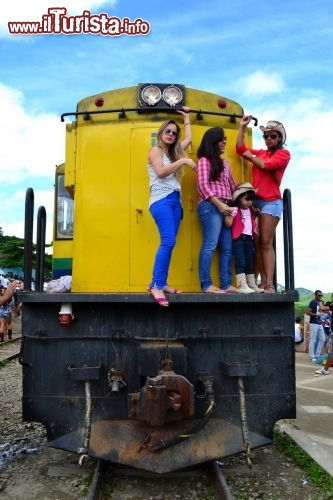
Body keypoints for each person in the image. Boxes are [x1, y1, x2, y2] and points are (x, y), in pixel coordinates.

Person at [147, 107, 196, 307]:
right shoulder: (156, 150)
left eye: (174, 133)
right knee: (167, 241)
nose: (171, 135)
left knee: (170, 243)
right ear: (161, 133)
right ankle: (156, 285)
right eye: (168, 131)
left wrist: (186, 117)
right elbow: (160, 172)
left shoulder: (174, 153)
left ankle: (160, 282)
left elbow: (189, 139)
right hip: (161, 201)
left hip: (175, 200)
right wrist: (184, 160)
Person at [236, 117, 291, 293]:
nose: (268, 139)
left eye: (273, 136)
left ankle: (269, 284)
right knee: (257, 243)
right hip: (255, 202)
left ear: (280, 138)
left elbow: (266, 165)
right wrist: (242, 127)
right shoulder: (260, 152)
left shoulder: (284, 154)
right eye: (266, 136)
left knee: (266, 242)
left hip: (271, 202)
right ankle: (259, 282)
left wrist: (250, 156)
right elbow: (240, 148)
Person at [196, 127, 237, 293]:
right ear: (213, 141)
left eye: (225, 139)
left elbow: (233, 187)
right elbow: (202, 186)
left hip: (225, 207)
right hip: (210, 206)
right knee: (210, 245)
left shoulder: (226, 164)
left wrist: (246, 196)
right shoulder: (204, 161)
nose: (225, 142)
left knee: (227, 247)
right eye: (221, 139)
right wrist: (219, 205)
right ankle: (206, 285)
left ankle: (226, 284)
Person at [230, 182, 264, 293]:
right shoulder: (235, 210)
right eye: (247, 199)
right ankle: (241, 285)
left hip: (249, 239)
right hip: (239, 239)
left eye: (251, 200)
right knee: (241, 262)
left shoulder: (250, 211)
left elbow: (252, 224)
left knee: (249, 262)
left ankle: (251, 284)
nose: (250, 202)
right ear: (239, 199)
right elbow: (230, 223)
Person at [306, 290, 326, 362]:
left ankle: (317, 355)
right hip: (313, 323)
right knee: (313, 339)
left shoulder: (320, 302)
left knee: (323, 338)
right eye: (319, 295)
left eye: (321, 295)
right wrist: (317, 315)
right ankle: (312, 356)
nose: (320, 297)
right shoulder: (313, 302)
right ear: (315, 295)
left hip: (319, 323)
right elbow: (307, 312)